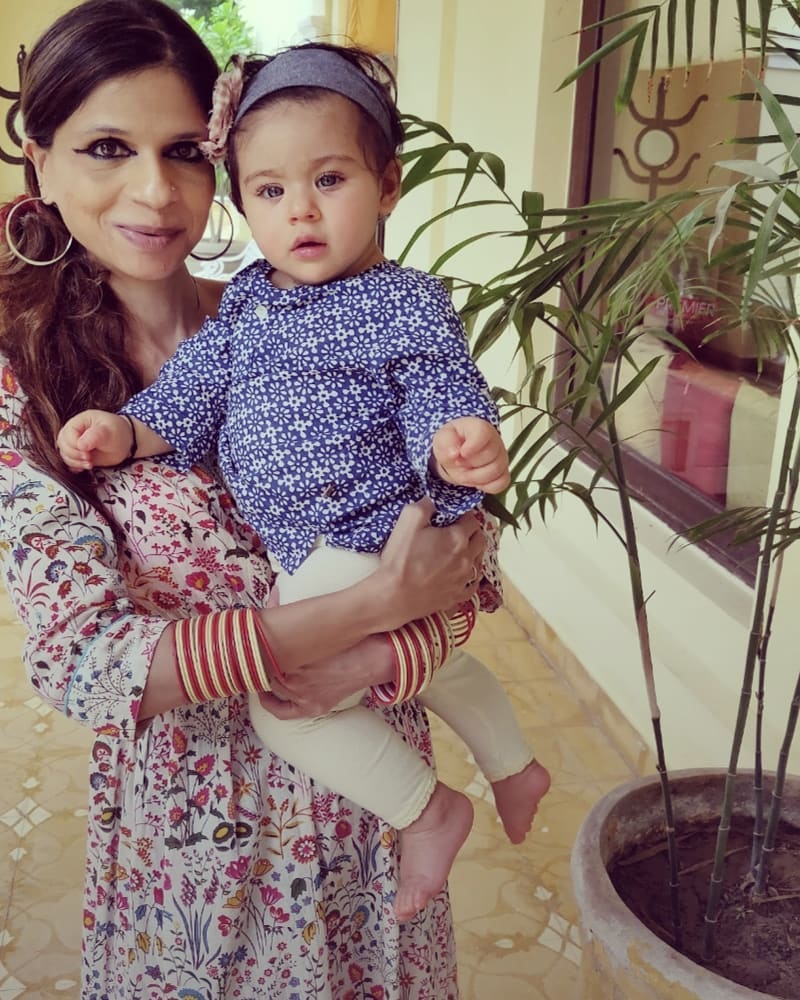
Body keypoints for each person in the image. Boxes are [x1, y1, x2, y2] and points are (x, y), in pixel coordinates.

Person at [0, 2, 492, 997]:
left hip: (376, 813)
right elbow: (85, 662)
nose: (156, 190)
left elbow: (461, 561)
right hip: (201, 858)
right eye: (107, 147)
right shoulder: (26, 385)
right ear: (40, 163)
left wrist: (389, 651)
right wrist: (373, 605)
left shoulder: (303, 313)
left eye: (185, 151)